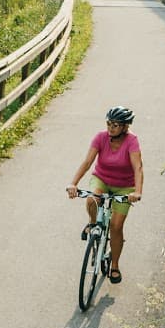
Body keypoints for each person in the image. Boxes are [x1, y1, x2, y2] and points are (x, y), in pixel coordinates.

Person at [65, 105, 143, 283]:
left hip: (124, 187)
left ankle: (114, 265)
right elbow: (87, 162)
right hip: (102, 179)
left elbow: (138, 167)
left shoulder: (132, 141)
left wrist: (137, 191)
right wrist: (73, 183)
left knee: (116, 227)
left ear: (125, 127)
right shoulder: (100, 138)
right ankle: (94, 225)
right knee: (92, 200)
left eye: (115, 125)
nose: (110, 128)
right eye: (109, 123)